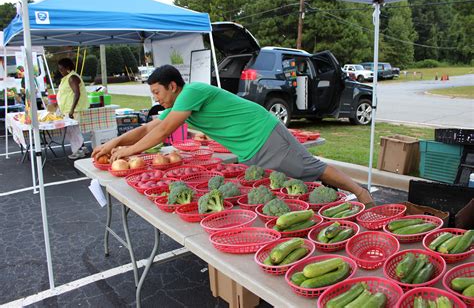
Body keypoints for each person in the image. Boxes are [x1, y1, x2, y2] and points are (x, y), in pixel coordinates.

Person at [93, 65, 374, 206]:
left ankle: (362, 194)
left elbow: (164, 131)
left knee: (309, 168)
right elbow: (148, 128)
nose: (156, 98)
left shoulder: (192, 92)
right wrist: (115, 142)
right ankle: (335, 201)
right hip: (251, 147)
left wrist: (129, 152)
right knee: (290, 183)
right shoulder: (179, 104)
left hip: (264, 133)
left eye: (157, 92)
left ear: (173, 86)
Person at [56, 58, 89, 159]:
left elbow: (77, 94)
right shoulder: (67, 77)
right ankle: (82, 148)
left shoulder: (72, 77)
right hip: (68, 109)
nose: (60, 71)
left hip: (73, 110)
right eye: (59, 69)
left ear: (68, 68)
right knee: (74, 131)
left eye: (62, 69)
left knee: (73, 131)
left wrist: (71, 110)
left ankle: (78, 151)